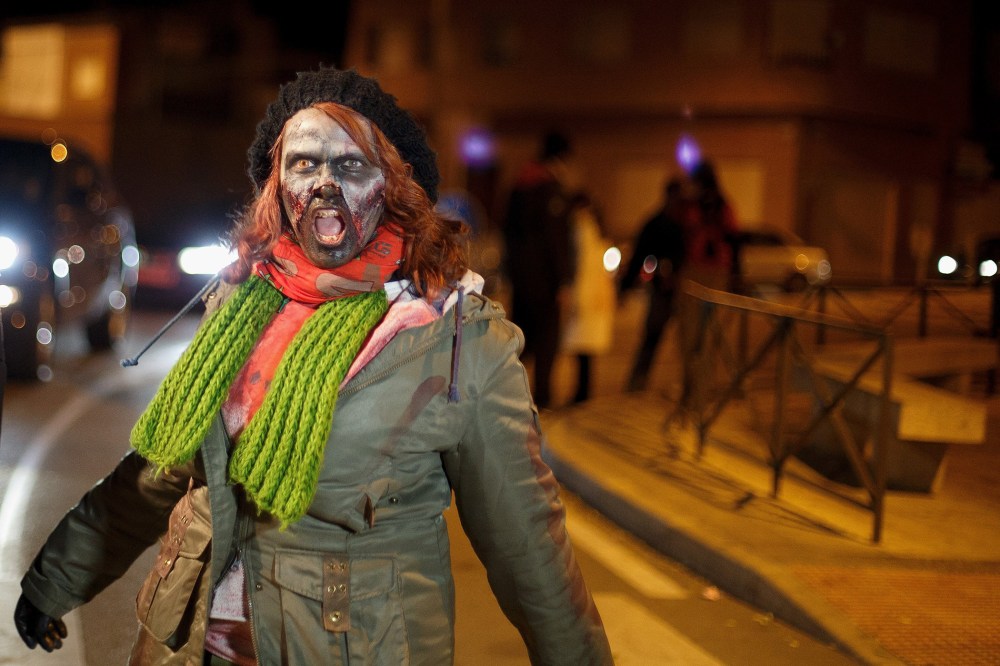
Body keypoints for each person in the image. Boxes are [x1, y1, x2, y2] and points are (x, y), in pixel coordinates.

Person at [13, 66, 613, 665]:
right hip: (189, 648)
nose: (325, 181)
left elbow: (528, 548)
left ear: (395, 185)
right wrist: (56, 578)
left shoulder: (455, 338)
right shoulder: (242, 302)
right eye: (304, 163)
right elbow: (166, 469)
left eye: (351, 166)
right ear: (277, 183)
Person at [502, 131, 577, 409]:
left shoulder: (518, 185)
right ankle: (543, 400)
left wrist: (512, 273)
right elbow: (555, 240)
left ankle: (510, 396)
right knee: (547, 342)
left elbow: (506, 232)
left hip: (522, 280)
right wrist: (564, 281)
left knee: (523, 340)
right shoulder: (550, 190)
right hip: (545, 282)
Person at [618, 177, 688, 392]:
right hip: (662, 291)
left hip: (687, 290)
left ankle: (691, 387)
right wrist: (625, 287)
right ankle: (636, 383)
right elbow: (639, 254)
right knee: (652, 336)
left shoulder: (688, 223)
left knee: (689, 342)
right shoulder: (657, 223)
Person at [561, 192, 615, 404]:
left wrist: (577, 298)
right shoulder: (597, 228)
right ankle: (583, 392)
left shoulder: (581, 228)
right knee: (586, 352)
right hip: (597, 296)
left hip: (586, 297)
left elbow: (582, 267)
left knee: (582, 349)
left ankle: (581, 394)